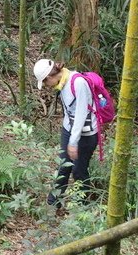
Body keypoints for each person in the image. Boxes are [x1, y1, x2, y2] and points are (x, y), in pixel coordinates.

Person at [34, 58, 99, 207]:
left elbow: (81, 114)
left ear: (50, 77)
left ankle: (82, 207)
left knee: (79, 171)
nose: (46, 86)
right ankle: (52, 203)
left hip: (86, 134)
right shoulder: (62, 83)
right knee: (63, 166)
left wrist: (73, 142)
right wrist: (69, 137)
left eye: (44, 82)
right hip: (69, 129)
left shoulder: (78, 83)